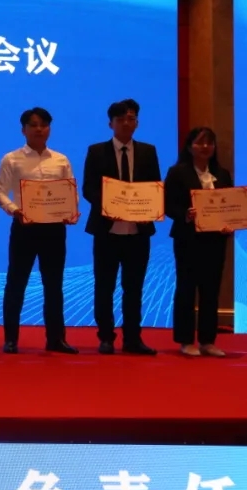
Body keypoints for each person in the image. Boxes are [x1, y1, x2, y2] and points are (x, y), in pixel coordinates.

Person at [0, 107, 79, 354]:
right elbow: (0, 191)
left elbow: (70, 191)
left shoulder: (61, 160)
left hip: (54, 230)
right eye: (33, 125)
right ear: (23, 130)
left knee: (54, 285)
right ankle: (11, 339)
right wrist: (14, 210)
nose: (39, 129)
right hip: (24, 227)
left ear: (49, 129)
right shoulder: (11, 159)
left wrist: (71, 211)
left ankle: (56, 339)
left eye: (44, 124)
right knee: (16, 283)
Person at [82, 99, 161, 355]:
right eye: (120, 120)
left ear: (137, 122)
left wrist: (149, 209)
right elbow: (89, 189)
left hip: (138, 231)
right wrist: (109, 205)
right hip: (107, 230)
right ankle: (106, 337)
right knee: (104, 286)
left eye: (131, 119)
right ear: (111, 124)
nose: (126, 123)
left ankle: (133, 338)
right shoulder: (96, 151)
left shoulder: (148, 151)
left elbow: (154, 188)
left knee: (134, 288)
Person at [164, 127, 233, 357]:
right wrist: (185, 214)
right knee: (186, 289)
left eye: (209, 143)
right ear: (189, 146)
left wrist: (230, 223)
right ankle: (185, 340)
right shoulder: (178, 172)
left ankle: (207, 340)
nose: (205, 147)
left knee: (211, 290)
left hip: (215, 240)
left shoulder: (222, 174)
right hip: (188, 239)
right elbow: (168, 205)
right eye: (200, 142)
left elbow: (230, 206)